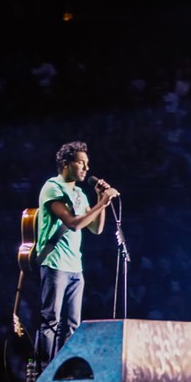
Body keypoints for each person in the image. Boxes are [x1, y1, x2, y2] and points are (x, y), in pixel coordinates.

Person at [35, 141, 119, 368]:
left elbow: (96, 229)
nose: (86, 168)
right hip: (55, 263)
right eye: (81, 163)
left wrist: (100, 201)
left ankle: (64, 371)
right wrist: (101, 202)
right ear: (66, 164)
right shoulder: (53, 187)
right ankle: (44, 371)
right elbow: (72, 223)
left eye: (87, 163)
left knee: (72, 324)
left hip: (75, 266)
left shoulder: (80, 194)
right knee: (51, 320)